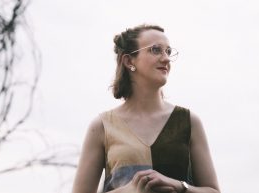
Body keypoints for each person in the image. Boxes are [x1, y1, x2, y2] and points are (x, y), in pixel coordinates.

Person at [71, 24, 220, 193]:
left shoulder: (188, 121)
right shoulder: (102, 126)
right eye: (155, 50)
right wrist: (129, 190)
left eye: (168, 51)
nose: (166, 59)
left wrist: (180, 186)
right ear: (129, 61)